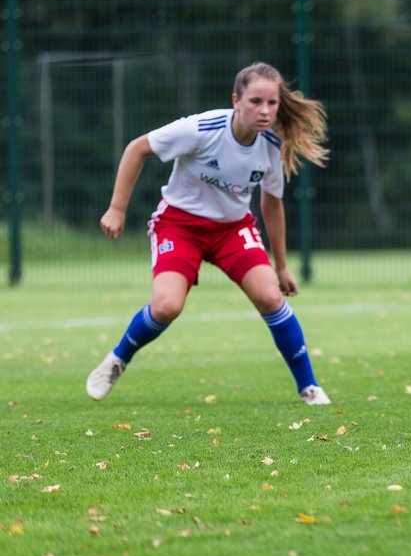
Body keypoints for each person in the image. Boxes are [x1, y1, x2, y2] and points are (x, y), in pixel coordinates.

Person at [86, 61, 332, 406]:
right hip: (180, 225)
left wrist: (280, 265)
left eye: (272, 103)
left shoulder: (272, 145)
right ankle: (118, 358)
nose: (264, 110)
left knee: (271, 298)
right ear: (236, 99)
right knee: (168, 306)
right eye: (255, 101)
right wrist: (117, 208)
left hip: (233, 229)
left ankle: (309, 387)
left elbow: (272, 205)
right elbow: (136, 149)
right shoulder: (201, 129)